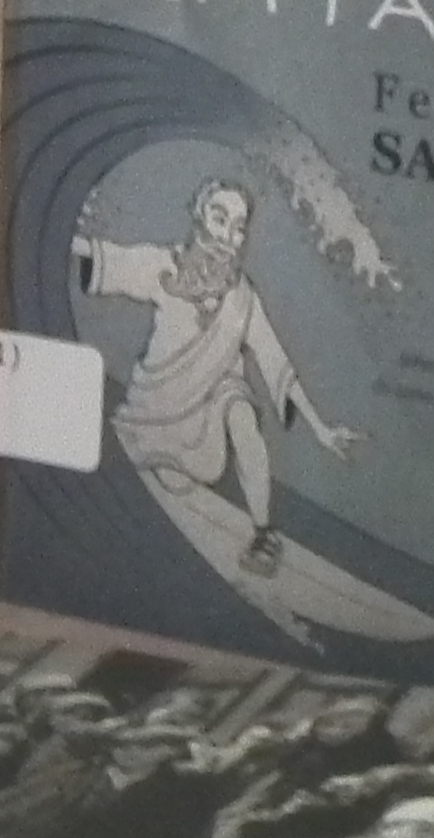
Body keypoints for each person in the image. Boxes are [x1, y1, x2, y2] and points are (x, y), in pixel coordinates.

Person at [77, 178, 363, 575]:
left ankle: (263, 534)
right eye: (220, 218)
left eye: (239, 226)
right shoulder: (164, 266)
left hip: (214, 400)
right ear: (199, 217)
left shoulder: (243, 298)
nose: (229, 235)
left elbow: (276, 363)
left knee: (241, 413)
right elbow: (104, 258)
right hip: (155, 403)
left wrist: (322, 430)